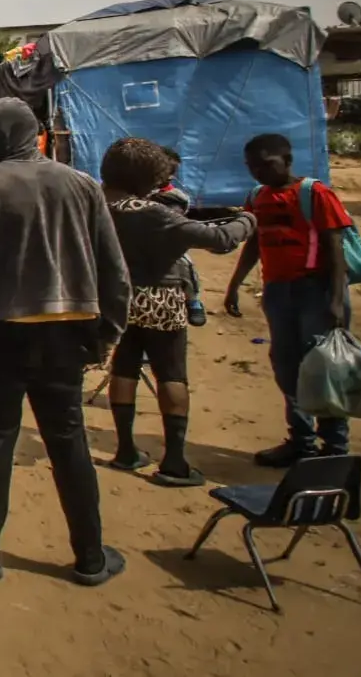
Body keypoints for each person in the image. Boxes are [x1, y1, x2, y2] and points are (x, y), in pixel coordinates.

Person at [0, 98, 131, 586]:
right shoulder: (83, 185)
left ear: (2, 139)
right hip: (69, 330)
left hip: (1, 332)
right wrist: (107, 333)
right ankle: (90, 557)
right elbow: (115, 272)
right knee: (69, 442)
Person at [99, 138, 255, 487]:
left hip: (117, 298)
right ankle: (174, 461)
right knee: (170, 373)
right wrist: (247, 220)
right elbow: (219, 241)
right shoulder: (151, 212)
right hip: (161, 297)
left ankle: (126, 450)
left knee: (123, 367)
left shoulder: (97, 204)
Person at [223, 133, 355, 466]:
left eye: (265, 164)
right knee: (287, 368)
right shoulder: (257, 198)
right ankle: (301, 442)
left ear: (287, 160)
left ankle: (335, 449)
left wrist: (336, 301)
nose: (258, 172)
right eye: (252, 166)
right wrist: (234, 284)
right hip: (278, 292)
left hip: (316, 290)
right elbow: (254, 244)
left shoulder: (316, 195)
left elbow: (335, 251)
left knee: (321, 369)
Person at [148, 146, 205, 326]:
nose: (171, 176)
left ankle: (193, 299)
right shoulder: (143, 192)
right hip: (145, 241)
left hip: (171, 242)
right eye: (166, 171)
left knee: (185, 264)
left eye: (173, 172)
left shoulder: (174, 196)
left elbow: (177, 215)